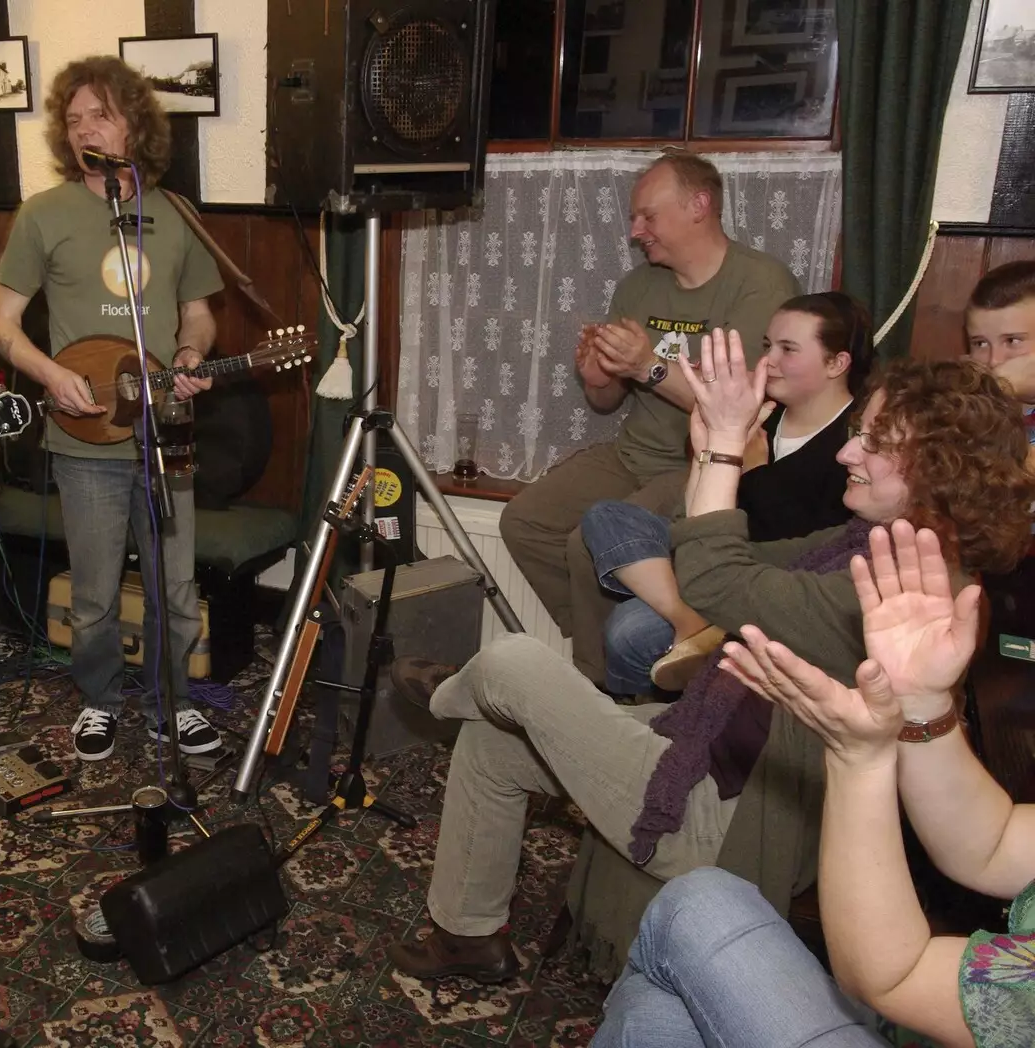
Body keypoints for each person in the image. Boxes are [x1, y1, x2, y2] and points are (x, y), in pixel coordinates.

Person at [384, 347, 1033, 986]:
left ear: (938, 469)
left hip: (724, 816)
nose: (845, 453)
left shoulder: (899, 593)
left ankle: (447, 695)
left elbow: (717, 578)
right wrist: (709, 452)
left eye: (872, 441)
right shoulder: (873, 544)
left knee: (514, 663)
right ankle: (467, 936)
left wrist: (726, 448)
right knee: (494, 737)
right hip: (710, 747)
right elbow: (736, 557)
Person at [594, 516, 1035, 1048]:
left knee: (696, 906)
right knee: (655, 1005)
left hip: (897, 984)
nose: (851, 450)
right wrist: (922, 702)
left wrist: (859, 760)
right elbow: (992, 844)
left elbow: (894, 977)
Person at [0, 55, 224, 762]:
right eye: (74, 116)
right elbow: (0, 324)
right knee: (91, 594)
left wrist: (189, 357)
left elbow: (200, 315)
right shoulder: (44, 215)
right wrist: (50, 375)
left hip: (165, 434)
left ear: (134, 125)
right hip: (85, 436)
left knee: (175, 588)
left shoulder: (175, 214)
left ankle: (173, 704)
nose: (85, 126)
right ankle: (98, 700)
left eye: (102, 113)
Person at [500, 149, 802, 685]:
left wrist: (645, 364)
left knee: (585, 544)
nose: (638, 231)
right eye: (635, 218)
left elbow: (738, 411)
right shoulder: (639, 287)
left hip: (703, 465)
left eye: (648, 216)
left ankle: (599, 687)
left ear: (699, 206)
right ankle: (621, 655)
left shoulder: (760, 282)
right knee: (526, 523)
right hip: (631, 452)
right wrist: (600, 377)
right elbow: (608, 402)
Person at [580, 291, 870, 696]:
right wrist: (709, 455)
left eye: (789, 349)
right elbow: (691, 517)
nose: (768, 361)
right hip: (709, 550)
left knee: (627, 629)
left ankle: (643, 722)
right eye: (768, 346)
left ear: (837, 363)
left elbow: (802, 550)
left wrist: (749, 469)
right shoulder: (761, 411)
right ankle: (690, 622)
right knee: (606, 516)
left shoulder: (853, 444)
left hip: (760, 577)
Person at [967, 259, 1035, 457]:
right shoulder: (964, 396)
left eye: (1012, 340)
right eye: (980, 343)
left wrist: (995, 389)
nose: (994, 360)